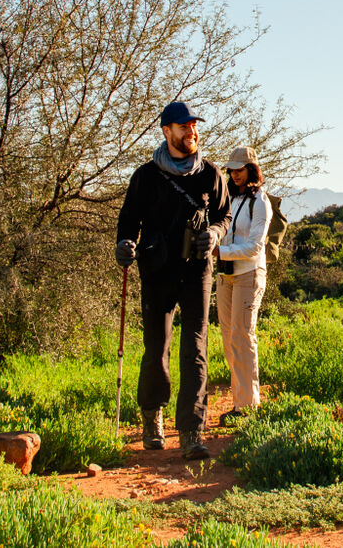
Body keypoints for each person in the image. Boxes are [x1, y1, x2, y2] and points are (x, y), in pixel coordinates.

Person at [114, 101, 228, 460]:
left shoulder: (210, 173)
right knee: (157, 348)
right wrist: (124, 244)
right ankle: (153, 418)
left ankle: (192, 432)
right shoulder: (145, 176)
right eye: (183, 127)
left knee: (195, 349)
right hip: (156, 269)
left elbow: (224, 215)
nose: (191, 131)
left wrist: (214, 233)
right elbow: (128, 219)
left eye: (193, 125)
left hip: (197, 270)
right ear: (166, 131)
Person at [214, 146, 272, 425]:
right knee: (229, 338)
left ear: (252, 169)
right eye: (232, 170)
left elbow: (254, 247)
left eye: (240, 169)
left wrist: (220, 252)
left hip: (249, 274)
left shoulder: (260, 202)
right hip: (225, 275)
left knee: (243, 336)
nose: (235, 174)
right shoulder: (229, 199)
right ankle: (240, 402)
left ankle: (248, 407)